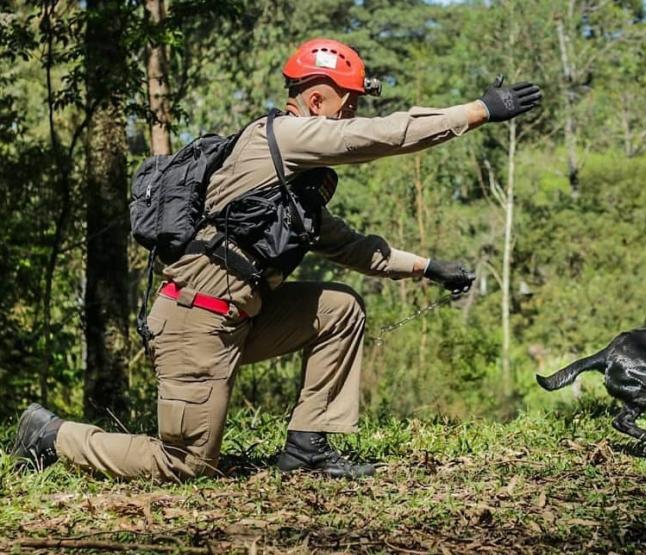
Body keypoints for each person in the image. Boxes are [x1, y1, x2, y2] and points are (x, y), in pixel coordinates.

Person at [11, 38, 542, 480]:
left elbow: (348, 246)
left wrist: (428, 267)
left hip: (240, 319)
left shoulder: (291, 188)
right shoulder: (285, 137)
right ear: (315, 103)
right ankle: (54, 436)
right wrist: (477, 112)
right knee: (187, 465)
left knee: (339, 308)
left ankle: (307, 447)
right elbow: (387, 135)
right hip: (194, 324)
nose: (354, 115)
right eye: (348, 104)